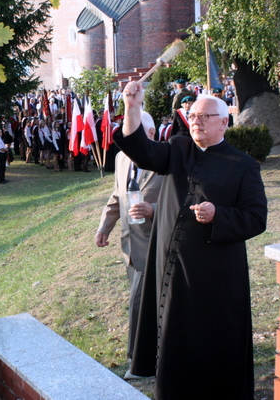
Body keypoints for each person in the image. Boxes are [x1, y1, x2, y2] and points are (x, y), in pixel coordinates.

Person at [116, 82, 268, 400]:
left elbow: (256, 219)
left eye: (205, 116)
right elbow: (140, 149)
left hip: (216, 277)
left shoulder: (243, 166)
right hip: (173, 274)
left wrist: (218, 215)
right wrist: (132, 107)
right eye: (192, 115)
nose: (196, 120)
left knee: (215, 348)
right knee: (174, 345)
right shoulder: (178, 149)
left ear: (224, 122)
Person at [95, 111, 162, 380]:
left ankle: (140, 363)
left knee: (140, 304)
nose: (128, 142)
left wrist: (153, 210)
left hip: (157, 245)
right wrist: (104, 227)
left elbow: (179, 200)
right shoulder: (122, 158)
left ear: (151, 135)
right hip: (130, 247)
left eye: (133, 135)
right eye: (125, 135)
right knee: (146, 304)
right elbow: (116, 196)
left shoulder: (165, 160)